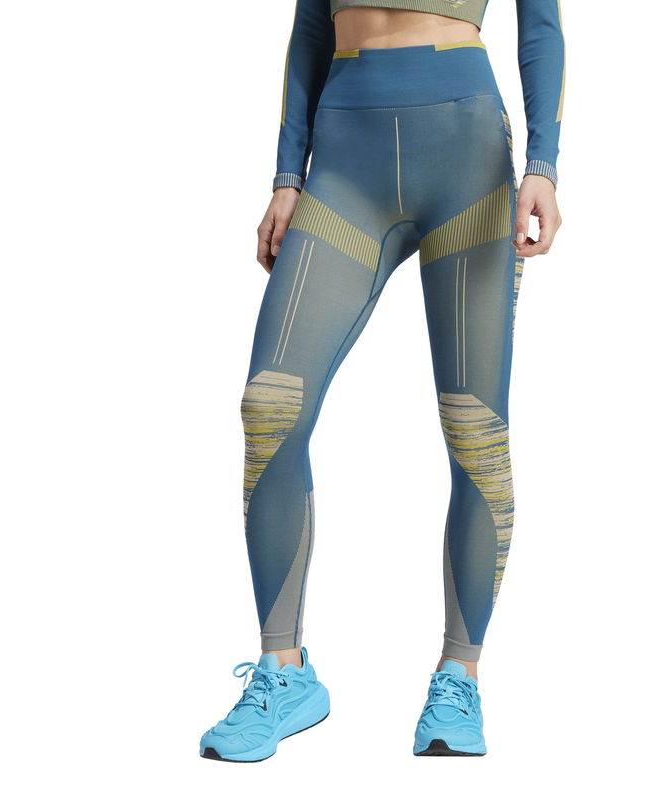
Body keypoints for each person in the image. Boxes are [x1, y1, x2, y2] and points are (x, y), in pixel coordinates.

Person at [199, 0, 564, 761]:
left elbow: (540, 24)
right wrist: (286, 176)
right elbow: (310, 28)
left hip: (466, 156)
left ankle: (458, 676)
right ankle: (284, 672)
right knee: (270, 405)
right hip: (344, 161)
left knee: (475, 428)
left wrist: (543, 164)